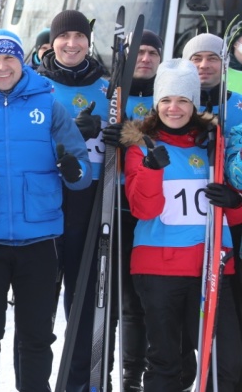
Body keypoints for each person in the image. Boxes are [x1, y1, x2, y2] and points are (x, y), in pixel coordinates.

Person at [0, 29, 90, 391]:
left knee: (37, 337)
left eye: (9, 57)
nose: (1, 66)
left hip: (39, 239)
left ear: (21, 61)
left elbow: (82, 168)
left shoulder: (48, 105)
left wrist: (74, 170)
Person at [123, 59, 242, 391]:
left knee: (226, 363)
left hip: (212, 267)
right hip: (160, 270)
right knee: (168, 362)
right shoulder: (141, 144)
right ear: (156, 103)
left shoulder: (213, 142)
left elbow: (227, 210)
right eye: (166, 100)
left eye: (183, 100)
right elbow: (143, 209)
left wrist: (235, 202)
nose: (174, 108)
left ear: (194, 103)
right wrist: (150, 169)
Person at [35, 8, 109, 391]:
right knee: (41, 299)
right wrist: (66, 135)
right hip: (48, 196)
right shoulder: (35, 83)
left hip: (92, 200)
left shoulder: (107, 86)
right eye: (65, 37)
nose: (72, 43)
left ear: (87, 41)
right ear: (54, 41)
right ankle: (37, 381)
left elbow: (128, 135)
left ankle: (81, 380)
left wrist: (116, 133)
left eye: (79, 36)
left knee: (82, 298)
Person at [103, 29, 164, 391]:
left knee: (135, 299)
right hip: (112, 203)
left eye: (151, 53)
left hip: (148, 206)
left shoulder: (168, 97)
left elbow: (161, 136)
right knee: (108, 300)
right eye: (138, 53)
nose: (144, 59)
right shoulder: (111, 94)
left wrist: (126, 133)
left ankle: (132, 375)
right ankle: (102, 371)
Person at [181, 32, 242, 133]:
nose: (204, 65)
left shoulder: (239, 104)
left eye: (212, 58)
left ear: (225, 64)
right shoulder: (171, 105)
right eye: (197, 59)